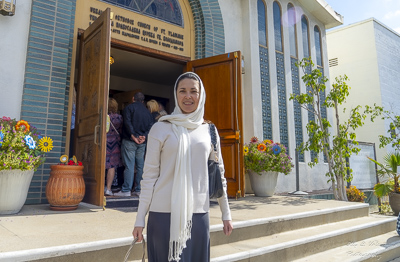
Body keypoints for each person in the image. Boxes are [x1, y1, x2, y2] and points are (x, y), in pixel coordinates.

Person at [132, 72, 233, 262]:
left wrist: (226, 213)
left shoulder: (209, 130)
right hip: (163, 214)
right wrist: (139, 219)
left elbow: (219, 174)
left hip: (198, 213)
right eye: (182, 91)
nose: (188, 96)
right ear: (176, 94)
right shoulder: (160, 128)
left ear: (200, 95)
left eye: (193, 91)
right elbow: (149, 177)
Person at [114, 92, 154, 197]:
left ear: (133, 99)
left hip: (130, 140)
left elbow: (127, 122)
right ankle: (139, 190)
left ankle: (126, 190)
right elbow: (151, 125)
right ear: (143, 101)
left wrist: (133, 135)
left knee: (129, 166)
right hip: (142, 142)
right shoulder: (147, 112)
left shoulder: (129, 108)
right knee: (140, 166)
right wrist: (144, 136)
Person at [105, 98, 123, 196]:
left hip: (105, 142)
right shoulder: (120, 118)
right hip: (115, 143)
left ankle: (100, 187)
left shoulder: (104, 117)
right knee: (111, 166)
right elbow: (121, 130)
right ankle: (108, 189)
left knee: (102, 164)